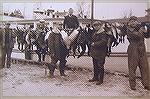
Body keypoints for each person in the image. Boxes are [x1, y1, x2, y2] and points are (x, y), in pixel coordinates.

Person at [120, 16, 150, 90]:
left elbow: (147, 35)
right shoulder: (129, 29)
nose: (133, 22)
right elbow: (137, 35)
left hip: (142, 49)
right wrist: (141, 29)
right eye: (132, 21)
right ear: (129, 23)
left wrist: (147, 28)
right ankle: (132, 85)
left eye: (135, 21)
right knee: (132, 68)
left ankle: (147, 84)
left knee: (145, 67)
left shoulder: (139, 28)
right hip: (133, 49)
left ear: (137, 21)